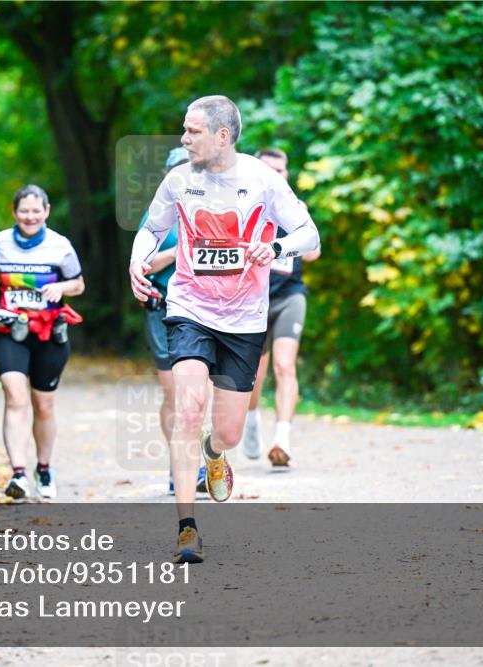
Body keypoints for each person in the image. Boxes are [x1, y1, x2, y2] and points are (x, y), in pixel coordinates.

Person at [129, 96, 320, 563]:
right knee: (189, 409)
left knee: (228, 431)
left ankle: (215, 454)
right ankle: (187, 530)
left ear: (222, 136)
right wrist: (137, 260)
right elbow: (151, 230)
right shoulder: (179, 180)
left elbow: (309, 235)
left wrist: (276, 248)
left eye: (192, 131)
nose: (184, 138)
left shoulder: (263, 180)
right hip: (190, 307)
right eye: (184, 129)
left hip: (244, 319)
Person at [0, 185, 85, 500]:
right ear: (14, 212)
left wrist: (61, 287)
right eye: (24, 211)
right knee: (15, 397)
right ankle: (19, 474)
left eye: (36, 211)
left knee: (44, 405)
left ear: (46, 211)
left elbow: (79, 284)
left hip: (49, 333)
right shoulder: (1, 241)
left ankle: (44, 469)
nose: (30, 217)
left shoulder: (60, 245)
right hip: (8, 330)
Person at [242, 148, 321, 467]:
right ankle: (251, 419)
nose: (276, 175)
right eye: (270, 169)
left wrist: (300, 223)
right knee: (254, 374)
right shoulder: (245, 204)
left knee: (285, 365)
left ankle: (282, 440)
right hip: (254, 298)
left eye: (281, 170)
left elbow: (313, 253)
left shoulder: (295, 207)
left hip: (290, 295)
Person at [139, 147, 207, 496]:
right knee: (173, 392)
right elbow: (142, 265)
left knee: (197, 394)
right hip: (163, 309)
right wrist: (176, 253)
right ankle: (179, 464)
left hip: (205, 309)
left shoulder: (215, 208)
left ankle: (198, 461)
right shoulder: (157, 216)